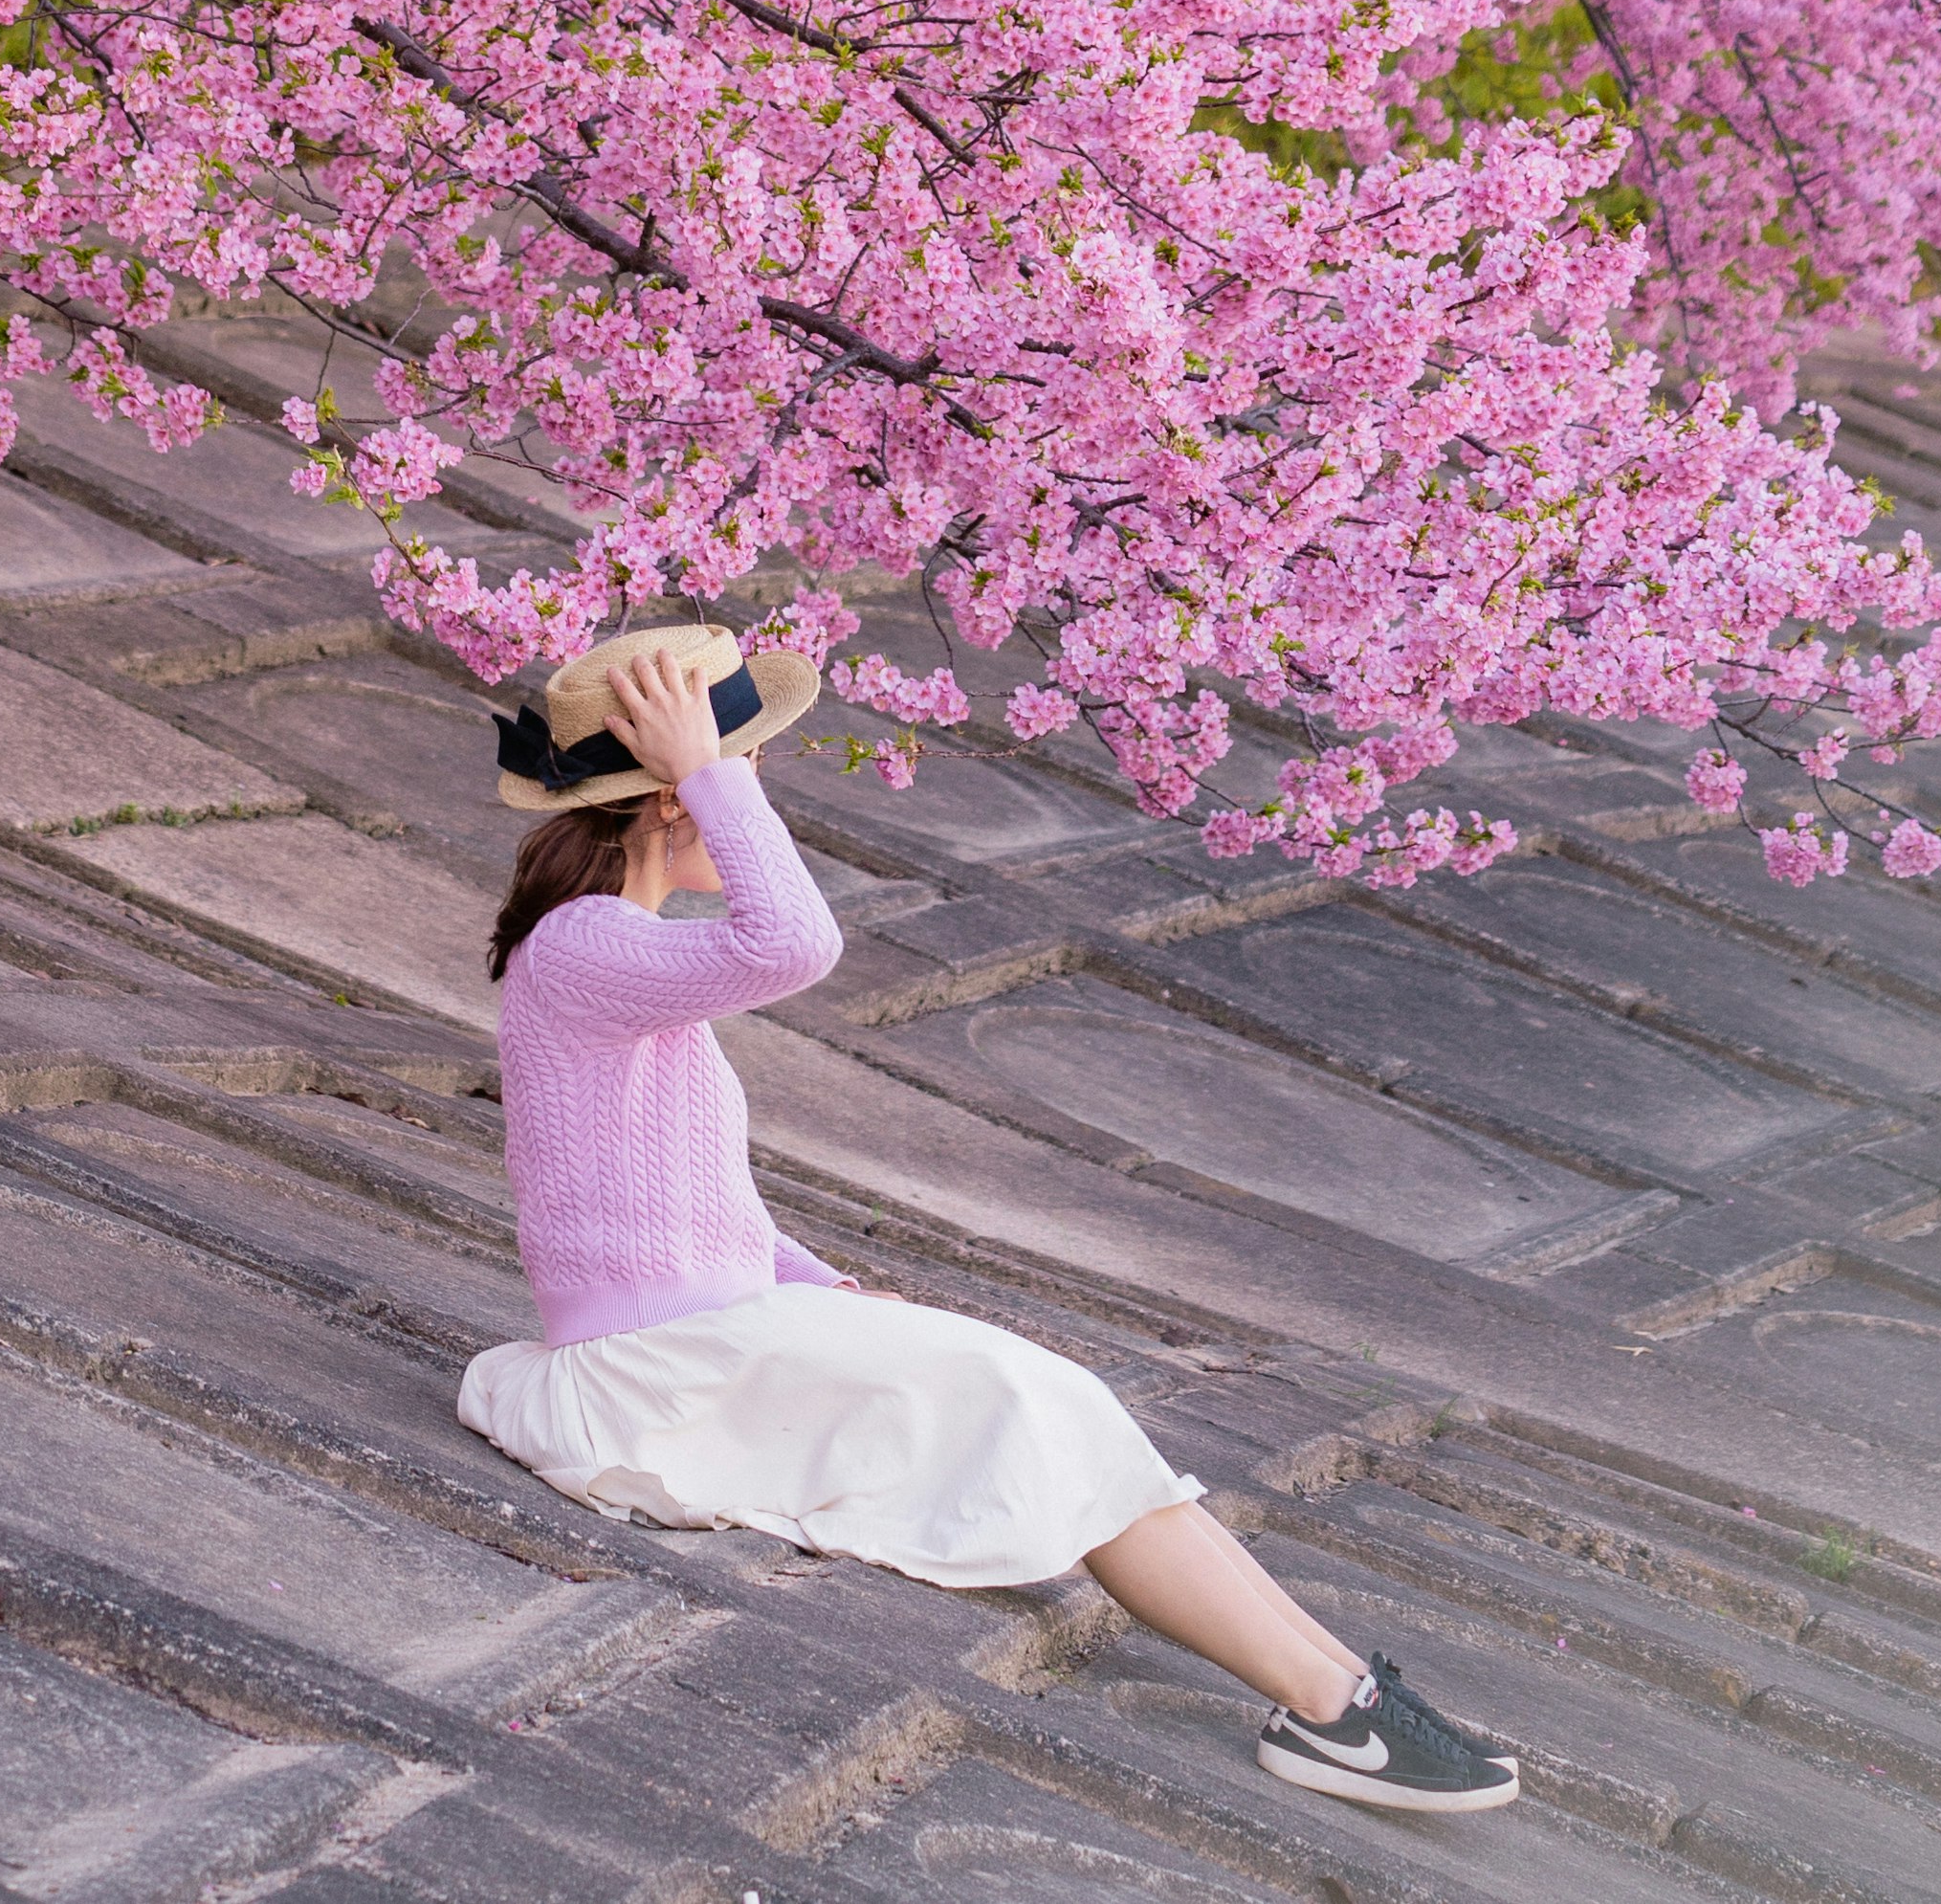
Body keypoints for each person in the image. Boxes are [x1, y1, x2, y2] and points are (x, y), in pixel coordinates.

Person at [458, 626, 1521, 1819]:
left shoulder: (616, 951)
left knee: (1074, 1408)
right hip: (665, 1370)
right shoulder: (587, 945)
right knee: (1042, 1401)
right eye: (741, 769)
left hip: (719, 1332)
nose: (755, 792)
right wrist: (714, 771)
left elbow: (686, 1193)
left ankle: (1336, 1691)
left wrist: (819, 1283)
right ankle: (1331, 1710)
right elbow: (798, 944)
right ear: (670, 796)